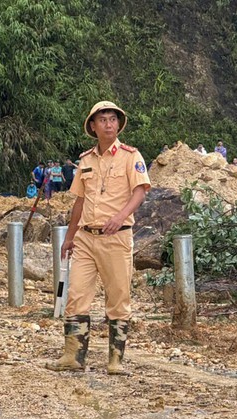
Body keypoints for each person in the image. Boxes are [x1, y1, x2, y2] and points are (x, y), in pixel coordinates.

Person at [46, 100, 150, 375]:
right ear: (93, 126)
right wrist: (70, 236)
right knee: (77, 295)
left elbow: (140, 191)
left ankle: (115, 360)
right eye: (102, 120)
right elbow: (79, 200)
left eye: (112, 119)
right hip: (86, 238)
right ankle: (73, 356)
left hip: (116, 237)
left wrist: (120, 216)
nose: (108, 124)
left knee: (118, 297)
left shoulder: (131, 156)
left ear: (118, 124)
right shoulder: (85, 160)